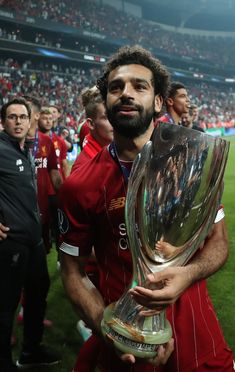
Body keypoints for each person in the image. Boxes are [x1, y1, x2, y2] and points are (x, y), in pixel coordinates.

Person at [58, 45, 233, 372]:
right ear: (106, 102)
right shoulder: (81, 184)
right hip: (128, 346)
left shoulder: (191, 164)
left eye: (139, 86)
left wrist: (189, 274)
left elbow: (218, 242)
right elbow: (72, 271)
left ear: (157, 102)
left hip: (199, 339)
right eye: (115, 87)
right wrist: (107, 330)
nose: (126, 93)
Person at [0, 97, 60, 371]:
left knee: (37, 295)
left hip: (34, 242)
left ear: (30, 120)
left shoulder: (24, 148)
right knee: (6, 305)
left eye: (22, 117)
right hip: (11, 243)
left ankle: (30, 351)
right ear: (3, 122)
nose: (18, 122)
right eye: (12, 117)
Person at [72, 86, 113, 172]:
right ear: (91, 124)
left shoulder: (117, 153)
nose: (115, 122)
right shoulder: (82, 170)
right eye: (107, 117)